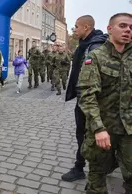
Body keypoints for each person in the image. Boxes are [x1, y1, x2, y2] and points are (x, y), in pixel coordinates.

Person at [78, 13, 132, 193]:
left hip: (129, 130)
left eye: (131, 28)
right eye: (123, 26)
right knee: (97, 177)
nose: (128, 30)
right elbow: (87, 96)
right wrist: (99, 128)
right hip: (103, 130)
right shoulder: (96, 57)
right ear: (110, 29)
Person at [62, 15, 108, 182]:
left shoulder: (94, 47)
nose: (74, 29)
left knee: (84, 134)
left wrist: (84, 100)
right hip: (87, 99)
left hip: (89, 100)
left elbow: (88, 78)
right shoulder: (86, 44)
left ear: (86, 27)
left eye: (76, 26)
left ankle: (80, 167)